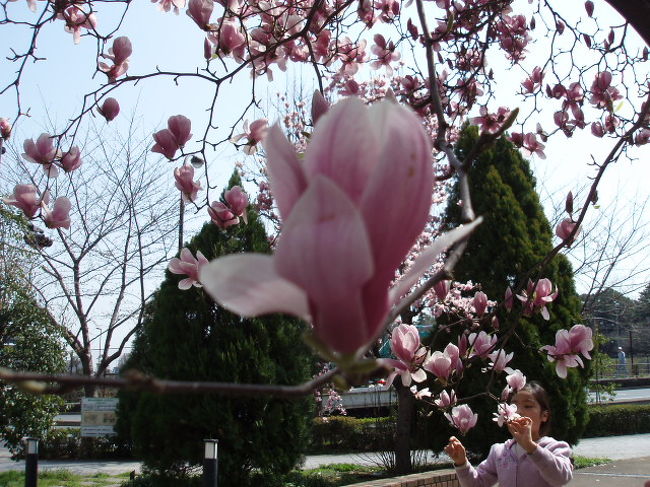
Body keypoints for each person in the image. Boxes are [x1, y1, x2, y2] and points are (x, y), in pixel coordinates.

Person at [444, 381, 573, 487]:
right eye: (514, 406)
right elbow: (477, 484)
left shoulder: (555, 447)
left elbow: (560, 478)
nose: (519, 412)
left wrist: (530, 446)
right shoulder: (499, 451)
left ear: (544, 416)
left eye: (528, 406)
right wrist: (462, 463)